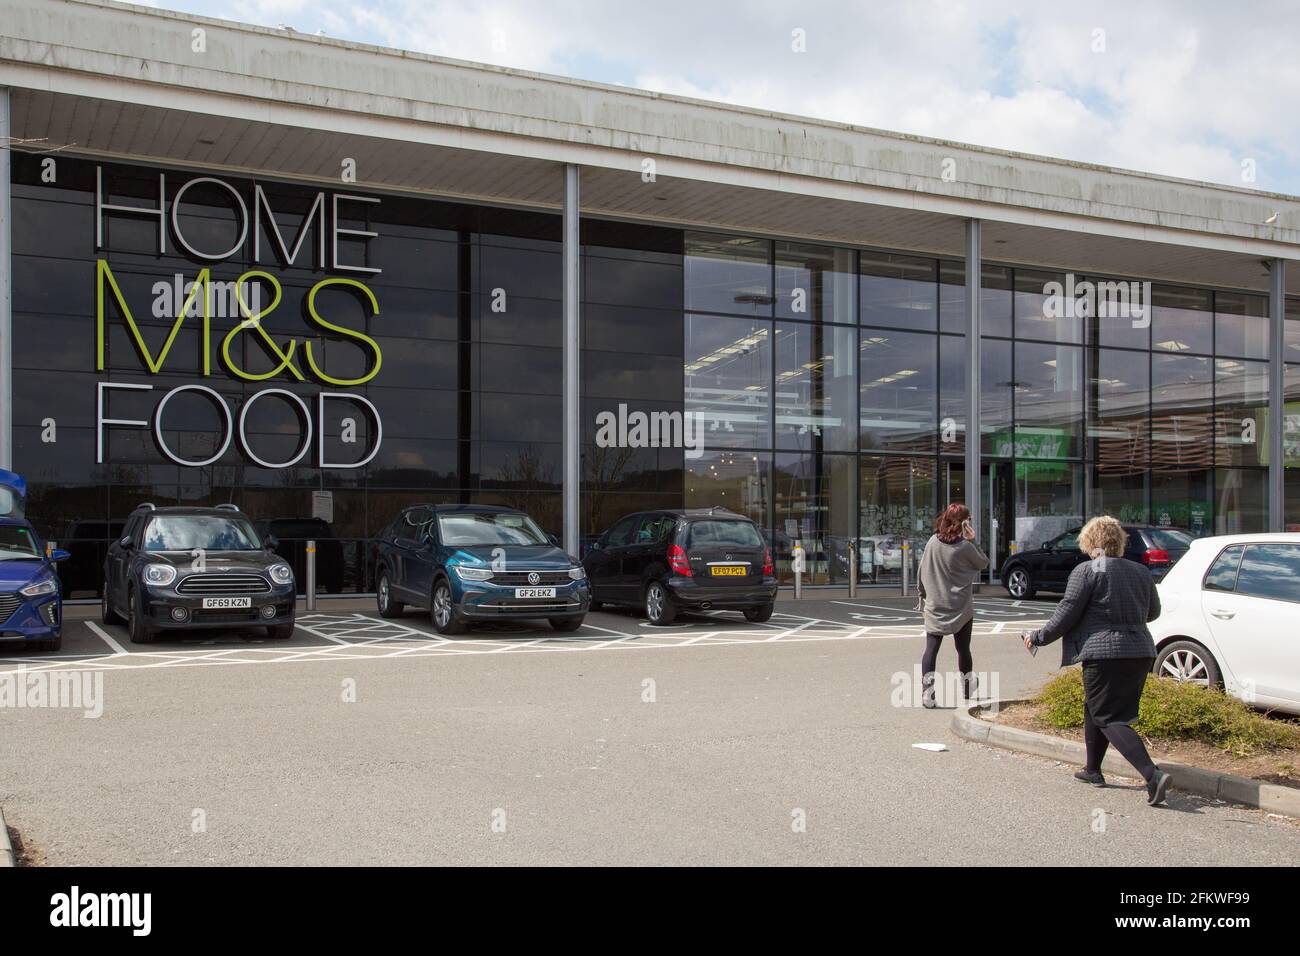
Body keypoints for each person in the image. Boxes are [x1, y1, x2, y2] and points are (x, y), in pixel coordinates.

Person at [1023, 515, 1171, 806]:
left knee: (1108, 717)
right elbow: (1153, 612)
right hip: (1140, 651)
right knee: (1095, 707)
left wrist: (1038, 637)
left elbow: (1067, 612)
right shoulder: (1140, 571)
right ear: (1119, 541)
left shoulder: (1087, 570)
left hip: (1103, 654)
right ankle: (1093, 770)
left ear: (1089, 542)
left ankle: (1152, 775)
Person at [917, 503, 989, 708]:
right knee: (963, 649)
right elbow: (983, 563)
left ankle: (927, 693)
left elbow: (922, 569)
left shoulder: (932, 541)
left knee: (931, 649)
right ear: (964, 523)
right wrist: (973, 541)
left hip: (935, 604)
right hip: (960, 606)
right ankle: (967, 689)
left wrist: (922, 595)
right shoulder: (964, 547)